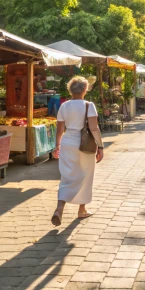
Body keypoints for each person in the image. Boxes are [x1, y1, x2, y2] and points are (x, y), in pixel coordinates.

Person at [51, 76, 104, 226]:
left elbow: (60, 128)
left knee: (67, 176)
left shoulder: (64, 106)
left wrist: (57, 146)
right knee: (86, 175)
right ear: (84, 90)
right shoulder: (89, 105)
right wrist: (100, 146)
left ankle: (59, 208)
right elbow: (94, 128)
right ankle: (82, 210)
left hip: (68, 142)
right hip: (84, 145)